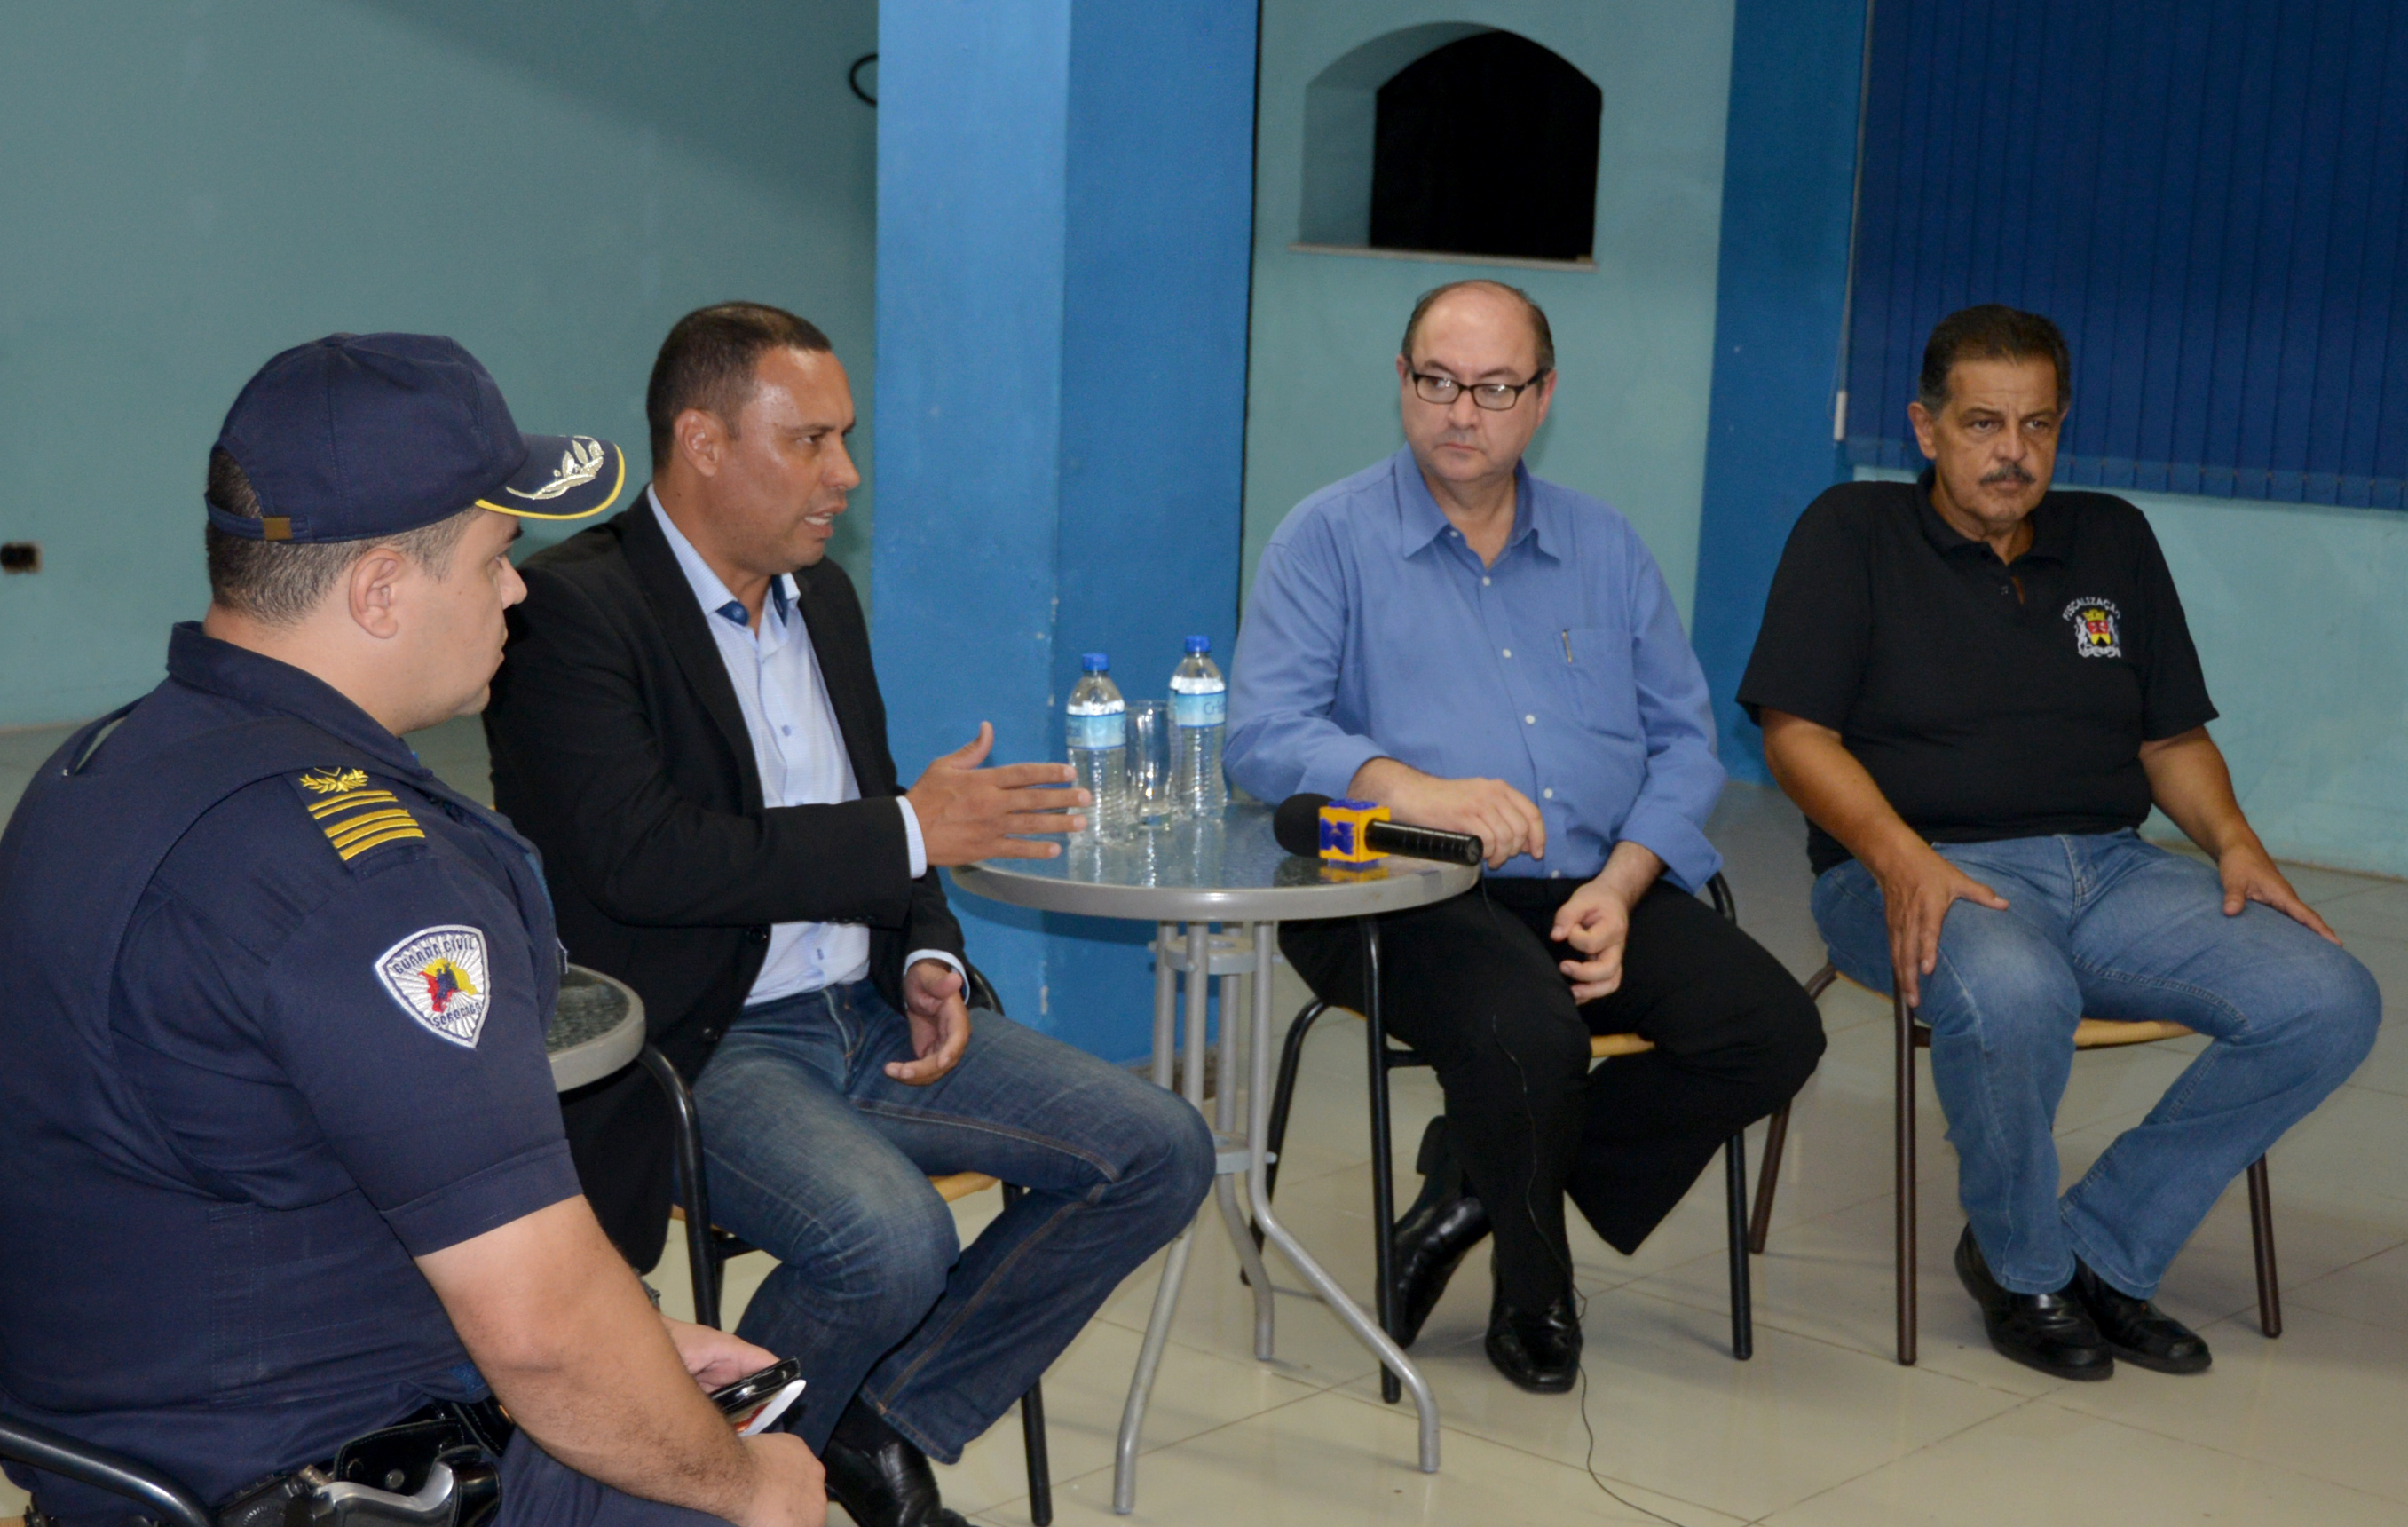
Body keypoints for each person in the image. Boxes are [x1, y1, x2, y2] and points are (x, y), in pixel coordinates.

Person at [0, 334, 826, 1527]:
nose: (517, 591)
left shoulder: (101, 768)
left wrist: (630, 1348)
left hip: (130, 1446)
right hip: (322, 1470)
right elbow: (542, 1336)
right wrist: (745, 1486)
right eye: (497, 556)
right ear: (381, 589)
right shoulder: (371, 883)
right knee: (782, 1485)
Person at [482, 302, 1215, 1527]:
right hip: (706, 1039)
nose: (846, 475)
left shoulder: (819, 597)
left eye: (846, 438)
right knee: (888, 1238)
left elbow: (873, 812)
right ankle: (701, 1482)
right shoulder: (571, 610)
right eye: (810, 440)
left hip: (865, 1009)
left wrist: (926, 949)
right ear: (702, 443)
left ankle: (871, 1425)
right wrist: (916, 831)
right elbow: (643, 860)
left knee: (1160, 1147)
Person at [1739, 304, 2380, 1381]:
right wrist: (1898, 855)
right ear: (1925, 427)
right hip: (1902, 869)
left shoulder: (2111, 536)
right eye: (1983, 423)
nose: (2013, 452)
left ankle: (2101, 1248)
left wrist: (2235, 843)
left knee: (2328, 999)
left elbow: (2170, 738)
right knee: (2015, 991)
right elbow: (1794, 734)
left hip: (2112, 870)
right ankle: (2023, 1267)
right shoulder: (1852, 531)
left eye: (2036, 425)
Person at [1224, 280, 1824, 1393]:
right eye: (1438, 381)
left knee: (1773, 1030)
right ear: (1401, 382)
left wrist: (1627, 882)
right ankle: (1534, 1286)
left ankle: (1468, 1182)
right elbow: (1261, 738)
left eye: (1495, 387)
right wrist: (1416, 791)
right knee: (1531, 1034)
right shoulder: (1328, 536)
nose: (1463, 411)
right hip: (1396, 893)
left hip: (1591, 884)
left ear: (1542, 398)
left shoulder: (1606, 545)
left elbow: (1686, 745)